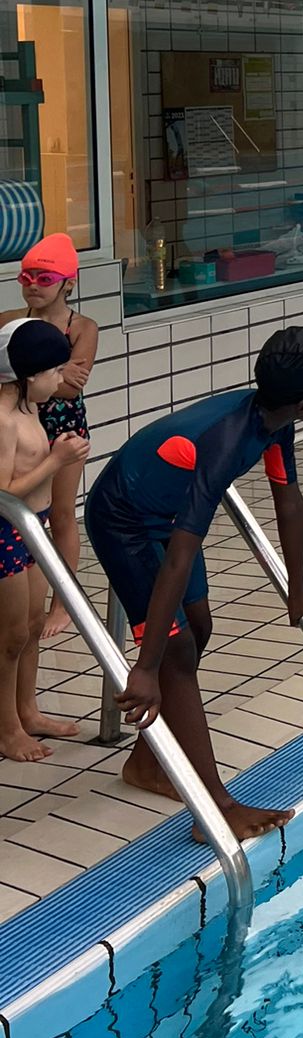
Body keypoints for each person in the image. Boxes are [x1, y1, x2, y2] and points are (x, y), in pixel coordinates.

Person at [84, 326, 303, 842]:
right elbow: (180, 557)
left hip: (166, 514)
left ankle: (148, 763)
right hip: (125, 520)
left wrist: (297, 585)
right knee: (176, 654)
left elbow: (288, 501)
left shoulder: (274, 419)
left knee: (198, 626)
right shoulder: (225, 438)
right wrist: (147, 666)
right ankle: (215, 808)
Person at [0, 320, 90, 761]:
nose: (61, 380)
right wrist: (56, 460)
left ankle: (28, 710)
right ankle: (7, 728)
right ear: (29, 375)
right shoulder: (2, 418)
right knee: (10, 636)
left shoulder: (30, 407)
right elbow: (0, 494)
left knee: (32, 629)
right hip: (5, 533)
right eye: (55, 371)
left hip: (29, 528)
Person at [1, 235, 98, 641]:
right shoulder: (8, 319)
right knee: (21, 514)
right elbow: (64, 379)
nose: (33, 285)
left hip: (65, 428)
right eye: (26, 277)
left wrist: (37, 377)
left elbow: (73, 389)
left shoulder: (83, 327)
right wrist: (58, 374)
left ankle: (64, 602)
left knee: (59, 515)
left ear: (68, 283)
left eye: (44, 277)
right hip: (22, 421)